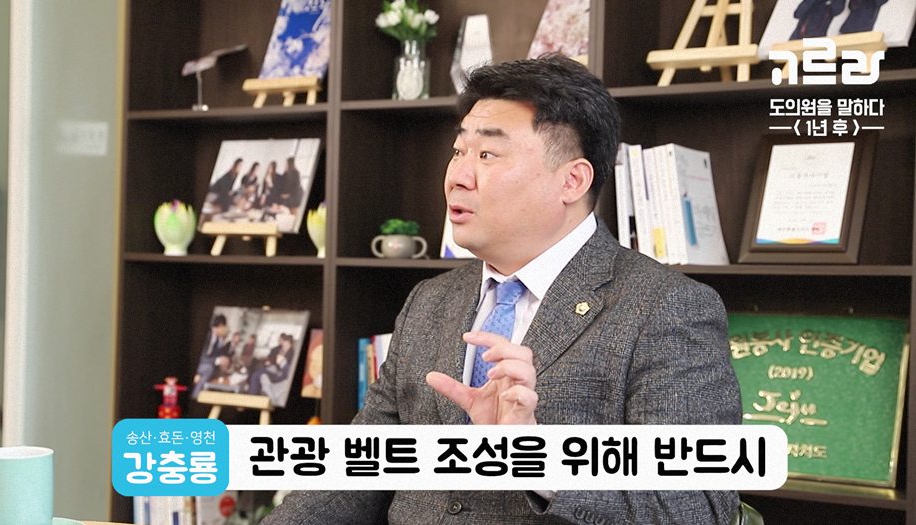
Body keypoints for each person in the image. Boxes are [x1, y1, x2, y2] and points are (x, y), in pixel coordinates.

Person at [265, 55, 742, 524]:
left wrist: (540, 459)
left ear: (572, 180)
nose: (457, 176)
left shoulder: (665, 308)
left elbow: (697, 508)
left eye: (487, 154)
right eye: (459, 151)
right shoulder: (429, 301)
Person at [191, 314, 232, 399]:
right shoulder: (207, 335)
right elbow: (201, 357)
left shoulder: (216, 339)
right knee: (209, 369)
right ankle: (195, 396)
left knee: (215, 370)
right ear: (221, 326)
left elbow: (216, 355)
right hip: (198, 363)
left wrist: (222, 360)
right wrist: (218, 360)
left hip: (205, 364)